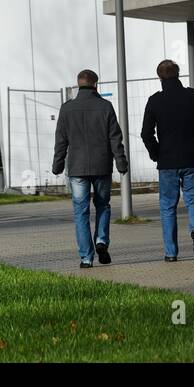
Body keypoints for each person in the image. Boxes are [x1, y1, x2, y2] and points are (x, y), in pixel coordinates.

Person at [142, 59, 194, 262]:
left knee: (167, 207)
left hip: (167, 161)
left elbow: (146, 133)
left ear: (159, 77)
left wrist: (156, 153)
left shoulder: (155, 100)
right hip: (192, 158)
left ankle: (171, 253)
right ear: (178, 73)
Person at [53, 70, 127, 268]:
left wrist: (58, 163)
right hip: (102, 165)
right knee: (103, 205)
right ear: (95, 85)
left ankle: (86, 258)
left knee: (81, 212)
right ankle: (101, 241)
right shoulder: (106, 107)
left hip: (77, 168)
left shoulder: (67, 109)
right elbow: (115, 138)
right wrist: (121, 161)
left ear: (78, 85)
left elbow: (61, 139)